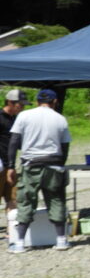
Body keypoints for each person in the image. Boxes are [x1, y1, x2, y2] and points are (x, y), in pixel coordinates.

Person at [7, 89, 72, 253]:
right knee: (56, 200)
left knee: (26, 200)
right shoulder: (60, 119)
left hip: (30, 164)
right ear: (55, 101)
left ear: (37, 101)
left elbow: (14, 141)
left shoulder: (24, 116)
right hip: (54, 165)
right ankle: (61, 240)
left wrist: (10, 165)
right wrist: (61, 165)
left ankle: (20, 243)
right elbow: (65, 147)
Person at [1, 90, 30, 246]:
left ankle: (10, 230)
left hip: (11, 165)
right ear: (10, 103)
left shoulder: (17, 119)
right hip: (0, 164)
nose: (22, 108)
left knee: (13, 198)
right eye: (20, 105)